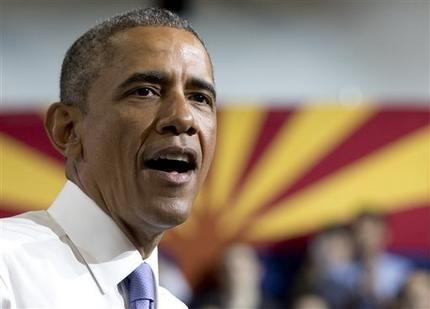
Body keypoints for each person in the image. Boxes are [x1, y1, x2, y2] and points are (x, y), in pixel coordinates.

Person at [0, 7, 217, 309]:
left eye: (200, 98)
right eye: (145, 91)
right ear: (68, 130)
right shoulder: (7, 269)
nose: (183, 117)